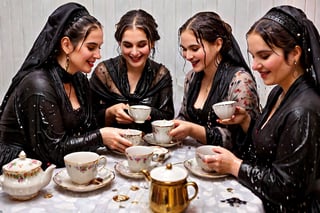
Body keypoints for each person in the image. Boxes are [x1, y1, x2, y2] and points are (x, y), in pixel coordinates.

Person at [207, 5, 320, 212]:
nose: (256, 65)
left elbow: (287, 188)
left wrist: (234, 165)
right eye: (253, 56)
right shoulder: (279, 92)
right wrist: (246, 122)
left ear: (295, 53)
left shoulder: (303, 111)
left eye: (264, 56)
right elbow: (270, 148)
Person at [0, 2, 132, 173]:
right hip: (20, 174)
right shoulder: (38, 84)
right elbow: (53, 151)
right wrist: (100, 137)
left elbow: (83, 130)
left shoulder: (79, 79)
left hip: (57, 169)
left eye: (99, 48)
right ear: (66, 45)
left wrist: (108, 115)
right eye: (91, 47)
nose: (98, 55)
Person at [170, 11, 259, 157]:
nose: (188, 56)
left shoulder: (240, 81)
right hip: (192, 159)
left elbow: (241, 140)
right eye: (184, 49)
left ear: (218, 44)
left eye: (194, 48)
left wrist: (192, 130)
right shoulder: (191, 77)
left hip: (227, 166)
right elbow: (184, 116)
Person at [89, 9, 174, 134]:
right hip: (109, 149)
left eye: (141, 45)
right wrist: (110, 113)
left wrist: (147, 113)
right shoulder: (103, 72)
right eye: (128, 45)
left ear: (152, 43)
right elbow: (88, 120)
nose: (134, 52)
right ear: (119, 43)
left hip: (152, 149)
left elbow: (168, 119)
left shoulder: (161, 75)